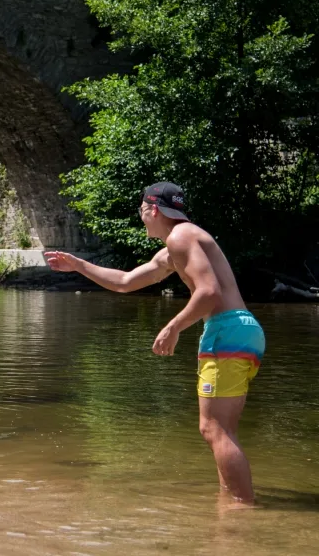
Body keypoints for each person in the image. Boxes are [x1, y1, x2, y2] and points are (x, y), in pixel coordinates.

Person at [45, 182, 264, 505]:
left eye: (142, 210)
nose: (141, 217)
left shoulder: (180, 237)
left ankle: (241, 509)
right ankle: (231, 502)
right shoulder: (180, 244)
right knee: (222, 430)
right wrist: (79, 265)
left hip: (225, 332)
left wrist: (173, 327)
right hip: (245, 329)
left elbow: (209, 292)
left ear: (154, 209)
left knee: (213, 429)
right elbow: (125, 282)